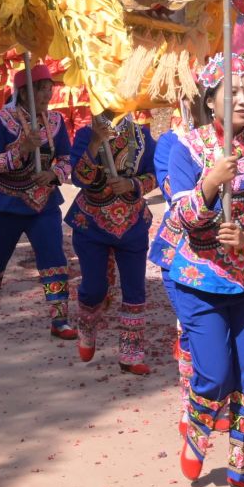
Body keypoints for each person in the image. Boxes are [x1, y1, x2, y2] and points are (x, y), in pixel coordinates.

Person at [152, 53, 244, 487]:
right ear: (210, 101)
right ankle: (197, 432)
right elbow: (181, 214)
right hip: (198, 278)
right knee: (214, 374)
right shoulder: (186, 147)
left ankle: (243, 472)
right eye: (232, 93)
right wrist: (212, 182)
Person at [0, 64, 75, 337]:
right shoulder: (1, 121)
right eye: (42, 89)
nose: (48, 94)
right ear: (25, 92)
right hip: (6, 202)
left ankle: (60, 319)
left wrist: (54, 174)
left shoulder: (55, 121)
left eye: (50, 89)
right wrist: (21, 150)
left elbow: (66, 159)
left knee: (54, 256)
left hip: (43, 202)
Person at [67, 110, 159, 370]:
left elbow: (155, 173)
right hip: (91, 223)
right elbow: (79, 178)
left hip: (132, 223)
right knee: (94, 287)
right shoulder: (86, 134)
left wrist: (132, 184)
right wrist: (96, 141)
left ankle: (131, 355)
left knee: (135, 289)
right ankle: (87, 325)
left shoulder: (142, 136)